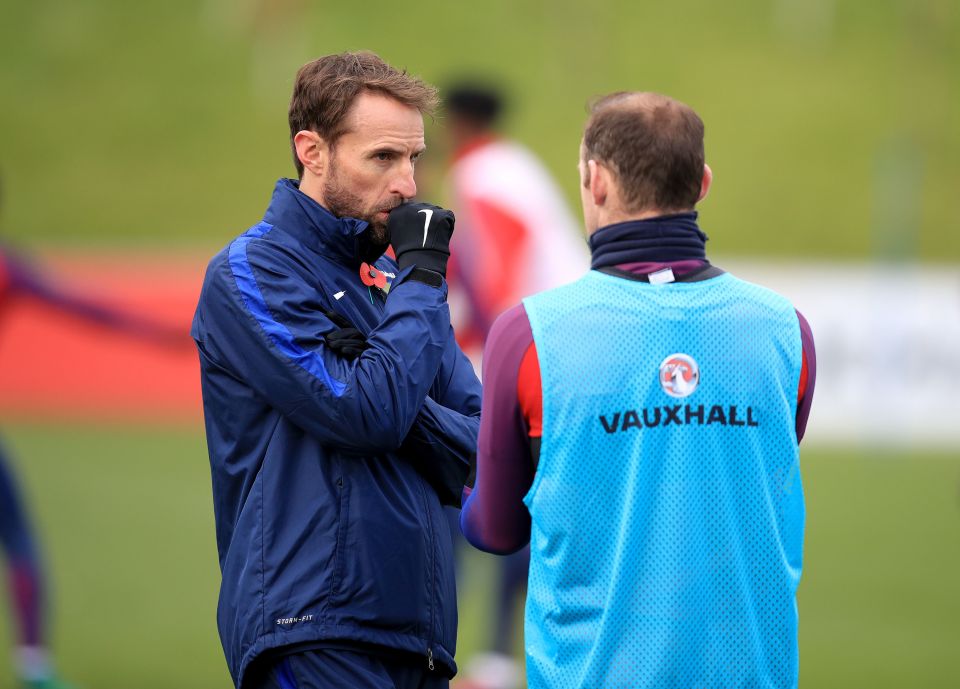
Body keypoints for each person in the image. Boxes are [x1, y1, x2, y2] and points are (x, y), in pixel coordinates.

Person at [461, 92, 817, 689]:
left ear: (595, 181)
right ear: (702, 184)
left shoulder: (528, 336)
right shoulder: (788, 330)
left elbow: (496, 530)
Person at [191, 52, 481, 689]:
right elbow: (367, 415)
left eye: (414, 158)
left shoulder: (397, 285)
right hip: (314, 629)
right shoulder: (253, 273)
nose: (407, 184)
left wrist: (387, 383)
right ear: (312, 150)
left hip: (418, 638)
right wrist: (390, 379)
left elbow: (480, 446)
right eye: (382, 157)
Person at [440, 82, 588, 689]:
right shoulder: (516, 164)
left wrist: (484, 355)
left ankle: (466, 655)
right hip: (572, 339)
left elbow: (499, 262)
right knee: (525, 502)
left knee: (466, 496)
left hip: (540, 348)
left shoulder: (479, 171)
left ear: (454, 124)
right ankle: (502, 656)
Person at [0, 242, 187, 689]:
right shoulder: (6, 269)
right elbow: (87, 311)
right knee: (20, 542)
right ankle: (34, 666)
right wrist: (163, 334)